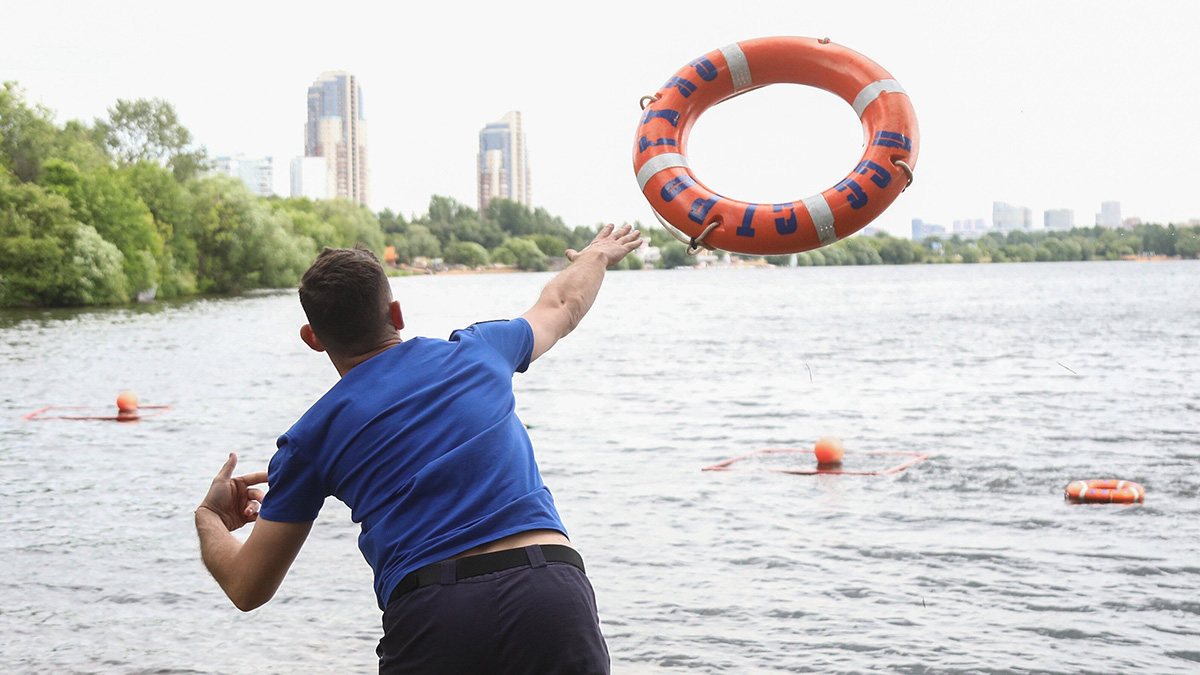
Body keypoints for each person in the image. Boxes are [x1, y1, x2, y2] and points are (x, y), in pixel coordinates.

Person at [195, 224, 643, 674]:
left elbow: (248, 587)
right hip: (550, 590)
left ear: (312, 337)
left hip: (435, 609)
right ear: (396, 312)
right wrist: (596, 256)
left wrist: (210, 520)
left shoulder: (309, 439)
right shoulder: (480, 350)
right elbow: (562, 305)